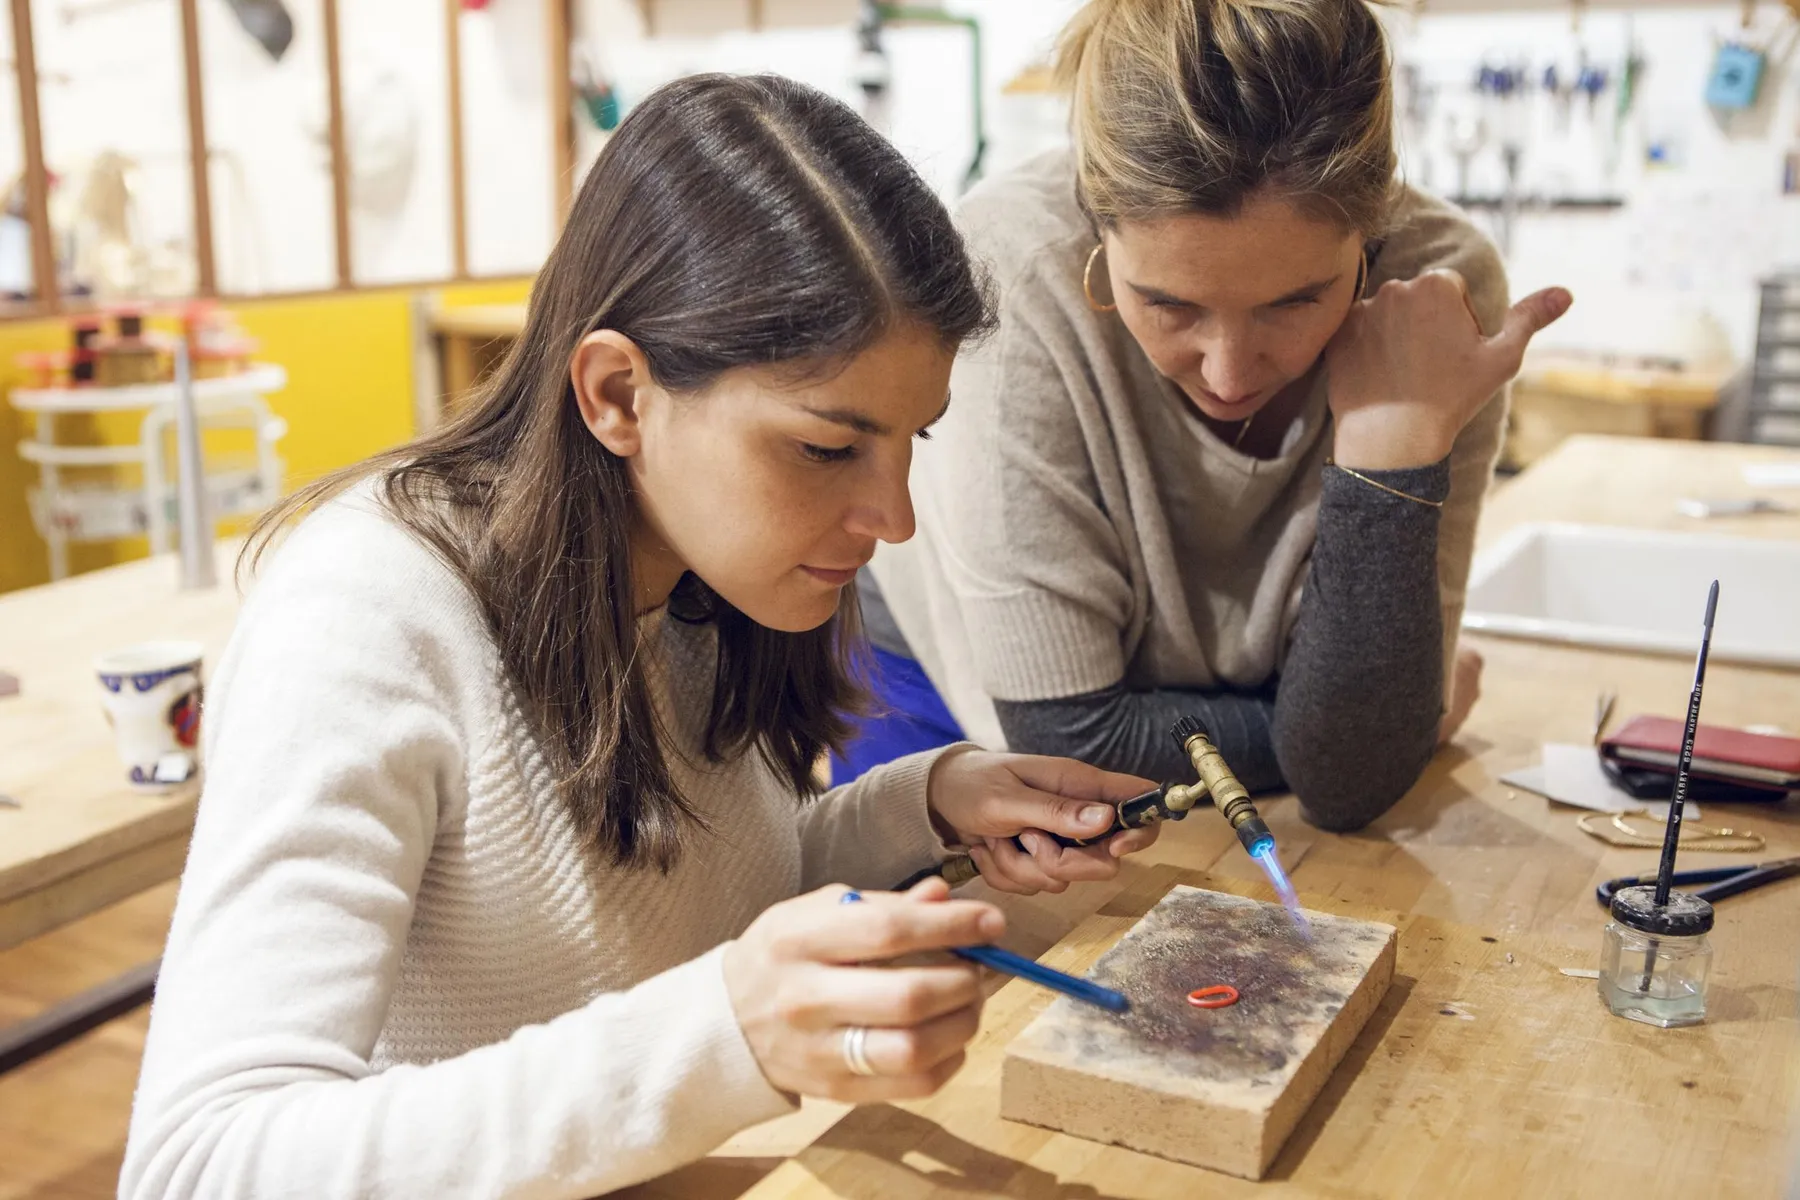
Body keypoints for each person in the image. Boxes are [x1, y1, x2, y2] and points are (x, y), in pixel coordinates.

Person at [120, 74, 1159, 1200]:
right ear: (618, 393)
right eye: (826, 448)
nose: (892, 516)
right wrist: (727, 1032)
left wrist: (924, 806)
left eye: (911, 442)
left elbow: (689, 905)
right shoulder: (365, 616)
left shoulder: (710, 582)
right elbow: (201, 1166)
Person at [846, 0, 1573, 831]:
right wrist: (1378, 716)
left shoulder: (1433, 301)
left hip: (1193, 738)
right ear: (1097, 224)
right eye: (1167, 303)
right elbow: (1071, 747)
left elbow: (1349, 784)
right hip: (944, 703)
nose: (1229, 372)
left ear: (1372, 238)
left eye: (1298, 301)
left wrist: (1391, 447)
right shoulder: (1006, 275)